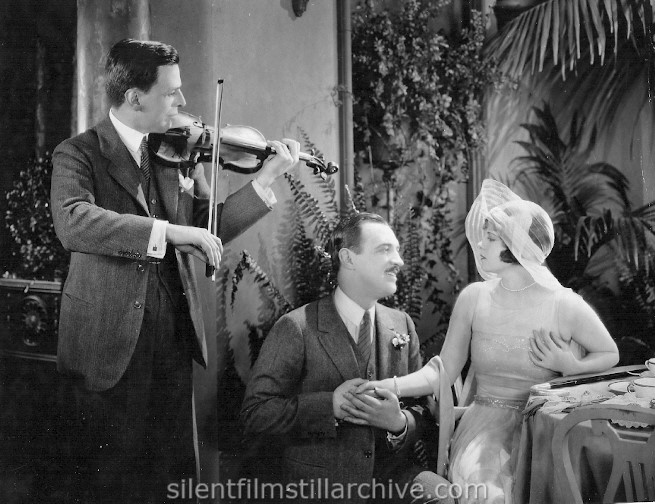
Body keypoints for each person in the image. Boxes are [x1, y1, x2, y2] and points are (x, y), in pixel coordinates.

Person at [50, 38, 300, 503]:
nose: (184, 103)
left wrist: (264, 179)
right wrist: (168, 231)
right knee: (107, 480)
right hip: (107, 338)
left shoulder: (177, 153)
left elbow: (209, 228)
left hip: (171, 336)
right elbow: (73, 221)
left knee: (169, 475)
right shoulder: (77, 153)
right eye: (171, 93)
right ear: (134, 97)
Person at [355, 179, 620, 504]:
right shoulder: (474, 298)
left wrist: (572, 365)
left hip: (542, 431)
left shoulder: (563, 304)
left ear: (516, 247)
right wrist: (391, 385)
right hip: (484, 431)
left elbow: (609, 353)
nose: (479, 245)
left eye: (491, 238)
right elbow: (442, 372)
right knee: (492, 495)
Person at [240, 212, 452, 504]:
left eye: (399, 250)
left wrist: (400, 422)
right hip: (319, 487)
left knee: (442, 496)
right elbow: (255, 415)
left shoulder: (402, 324)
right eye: (384, 250)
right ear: (348, 258)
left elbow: (426, 411)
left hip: (391, 481)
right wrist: (331, 406)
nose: (399, 261)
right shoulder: (297, 327)